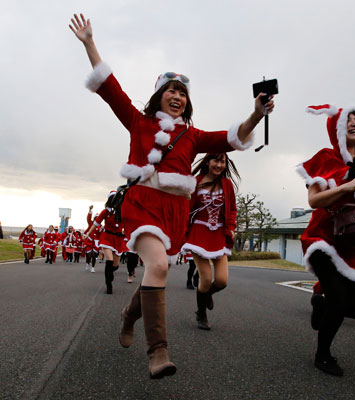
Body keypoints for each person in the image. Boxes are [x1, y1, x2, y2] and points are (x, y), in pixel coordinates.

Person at [70, 13, 274, 379]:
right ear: (159, 95)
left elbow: (233, 138)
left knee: (156, 270)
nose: (177, 96)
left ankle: (130, 314)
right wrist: (89, 43)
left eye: (183, 93)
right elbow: (109, 87)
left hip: (175, 213)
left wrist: (257, 113)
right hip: (142, 205)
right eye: (171, 90)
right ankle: (158, 351)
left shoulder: (193, 137)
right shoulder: (138, 121)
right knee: (159, 266)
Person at [297, 104, 355, 377]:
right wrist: (348, 184)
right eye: (348, 120)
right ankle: (323, 355)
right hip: (324, 238)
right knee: (338, 300)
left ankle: (319, 303)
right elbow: (313, 201)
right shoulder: (325, 156)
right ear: (337, 129)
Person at [181, 153, 239, 330]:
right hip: (198, 233)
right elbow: (185, 209)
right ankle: (201, 314)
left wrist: (231, 227)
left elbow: (232, 209)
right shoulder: (195, 182)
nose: (219, 165)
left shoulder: (227, 184)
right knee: (205, 280)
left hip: (219, 234)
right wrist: (182, 232)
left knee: (221, 281)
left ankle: (205, 296)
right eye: (216, 160)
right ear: (207, 161)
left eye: (223, 161)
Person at [84, 191, 127, 294]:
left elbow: (129, 224)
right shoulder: (105, 212)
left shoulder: (123, 211)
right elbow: (95, 224)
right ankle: (109, 285)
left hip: (118, 239)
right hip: (107, 237)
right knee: (109, 260)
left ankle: (109, 274)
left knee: (115, 266)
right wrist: (88, 234)